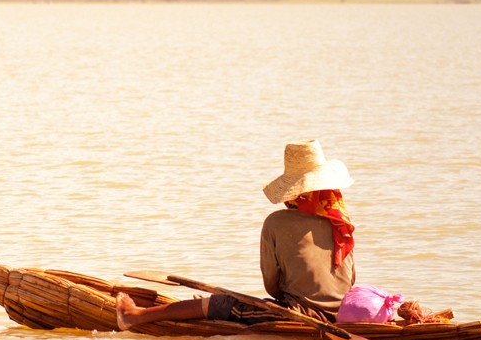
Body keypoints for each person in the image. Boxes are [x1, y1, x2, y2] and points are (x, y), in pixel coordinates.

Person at [116, 139, 357, 330]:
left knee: (223, 304)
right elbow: (350, 280)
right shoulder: (341, 222)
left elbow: (272, 287)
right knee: (222, 303)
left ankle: (134, 316)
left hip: (303, 315)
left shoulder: (276, 222)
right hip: (346, 313)